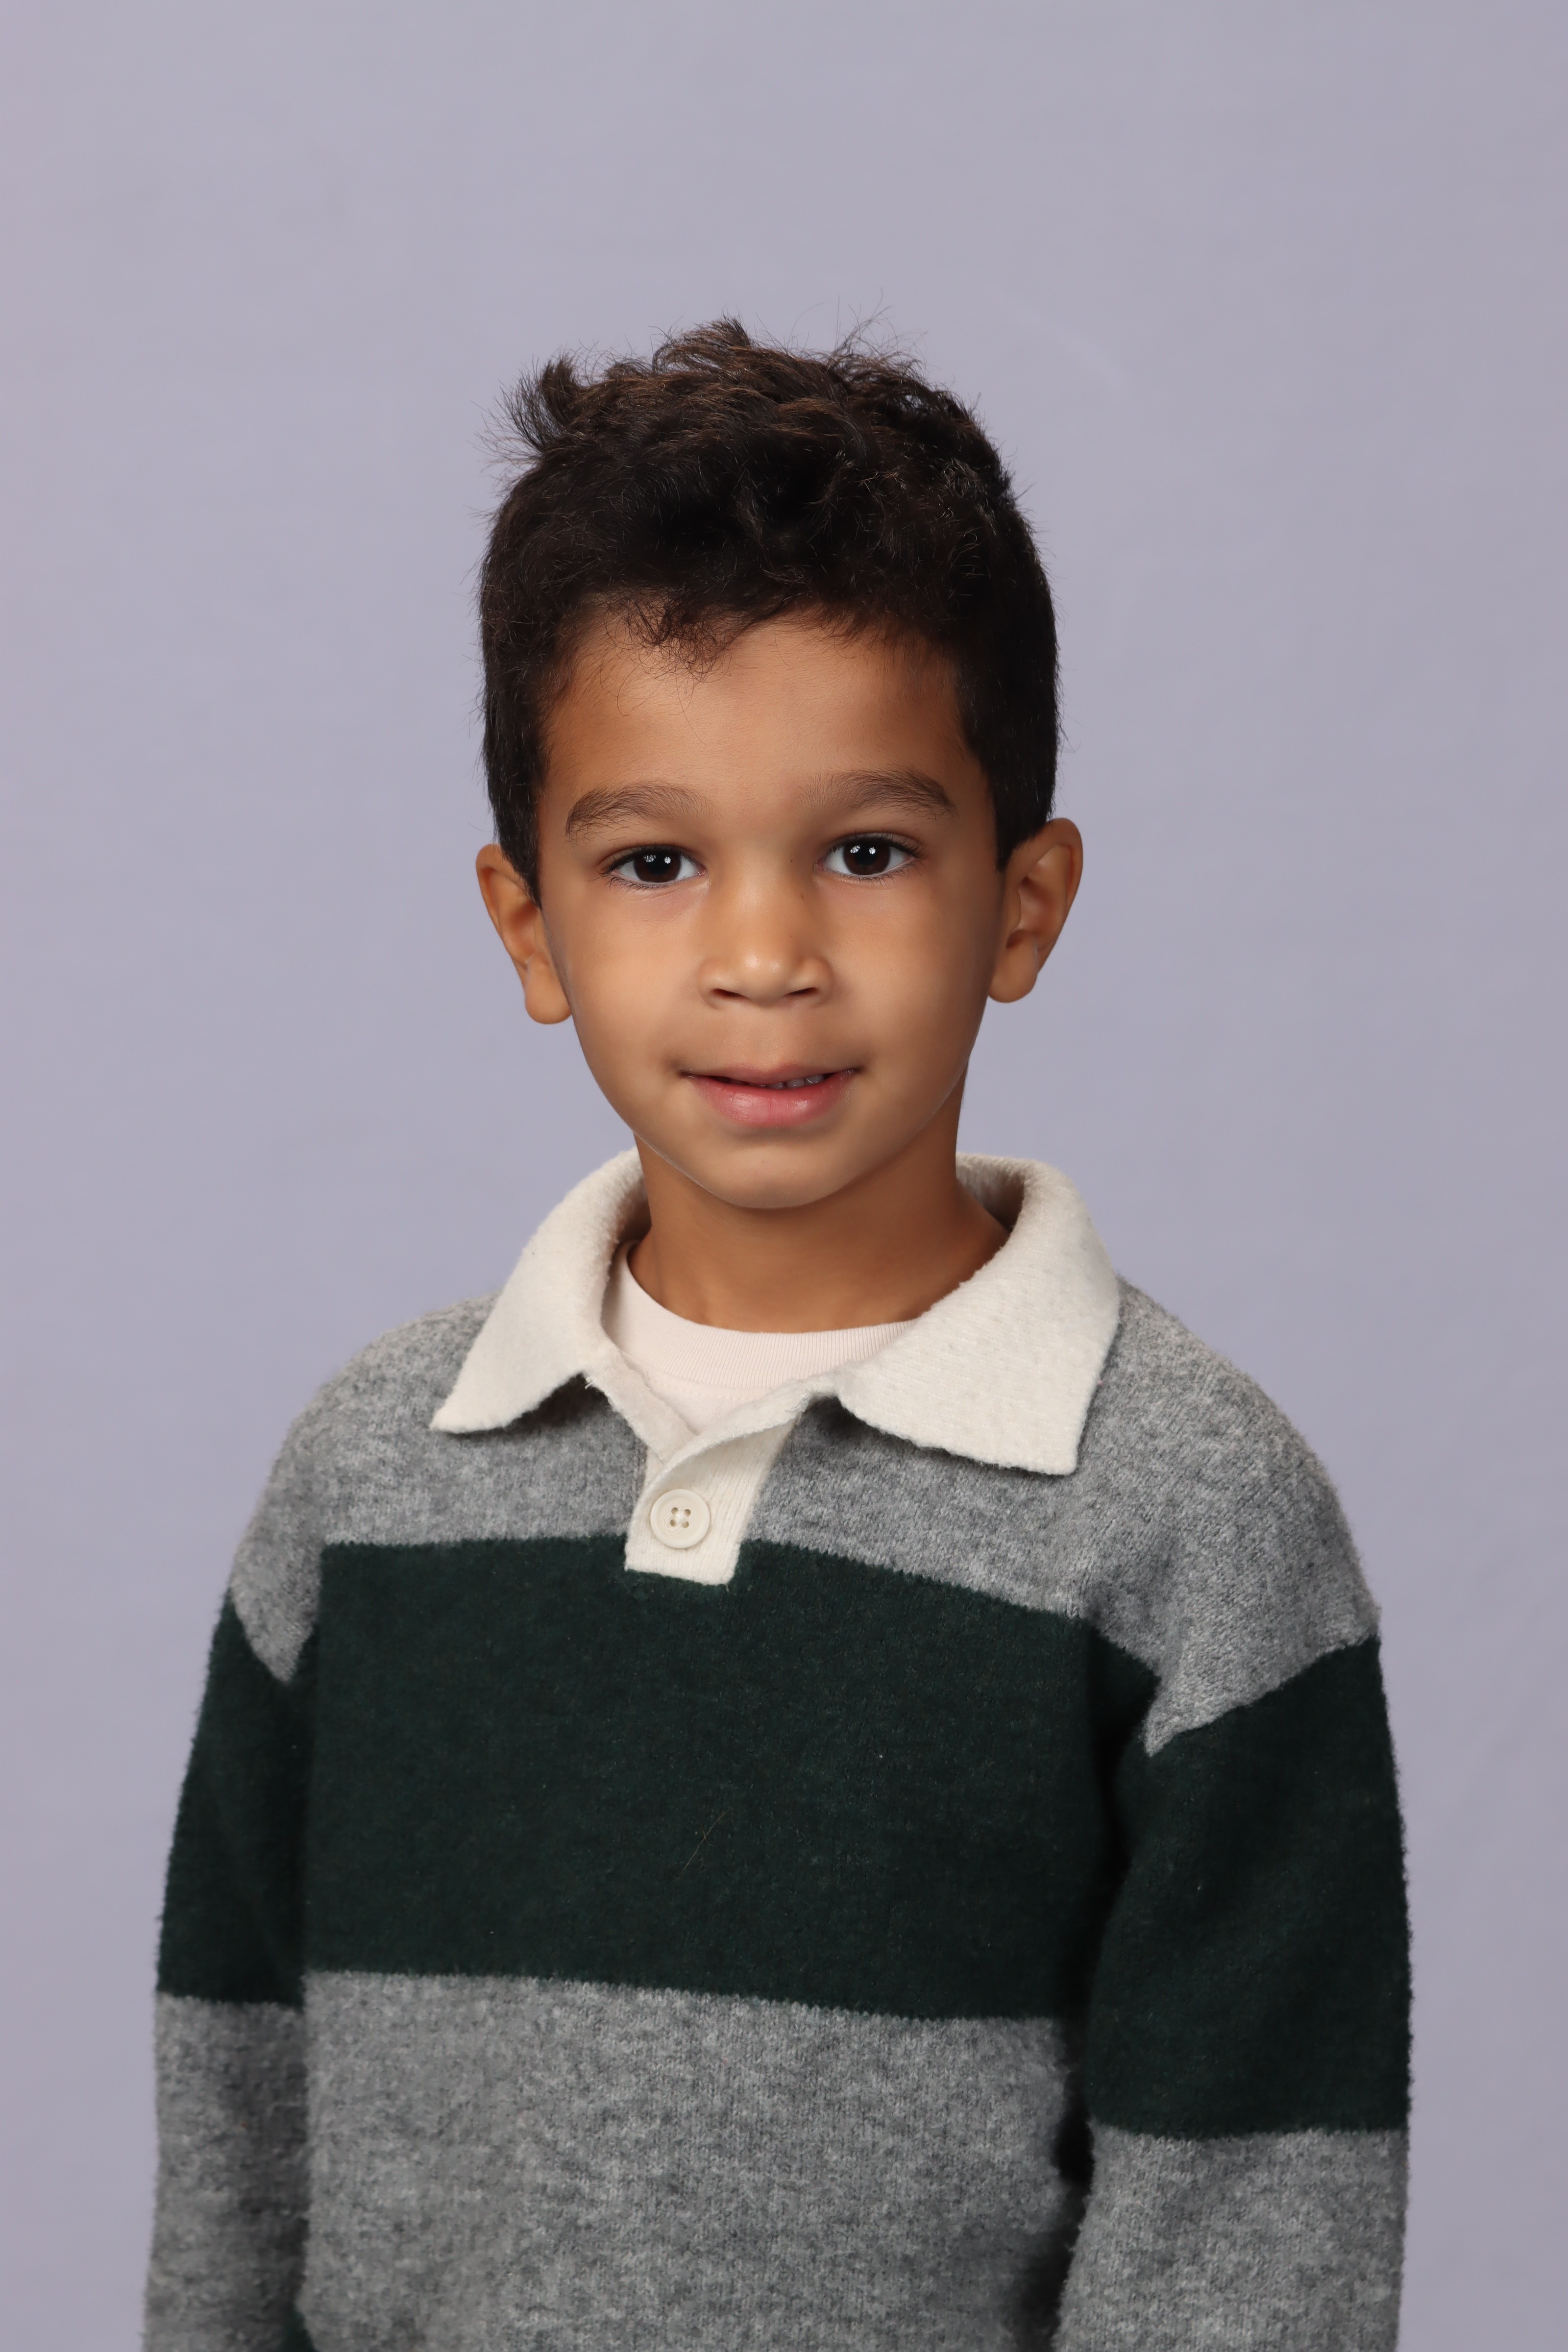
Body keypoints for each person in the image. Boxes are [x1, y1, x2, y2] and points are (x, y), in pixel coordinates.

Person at [144, 322, 1409, 2351]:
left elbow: (1248, 2241)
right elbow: (236, 2146)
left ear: (1022, 903)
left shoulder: (1189, 1514)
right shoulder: (368, 1482)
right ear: (529, 926)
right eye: (654, 863)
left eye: (865, 852)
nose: (761, 955)